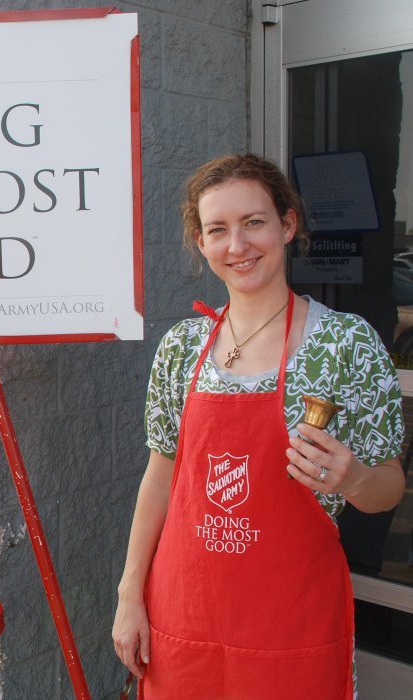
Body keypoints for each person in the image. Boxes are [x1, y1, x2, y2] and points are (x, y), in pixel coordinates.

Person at [111, 153, 405, 699]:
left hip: (291, 620)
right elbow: (159, 479)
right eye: (218, 229)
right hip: (184, 614)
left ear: (288, 225)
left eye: (254, 223)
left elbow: (389, 489)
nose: (238, 246)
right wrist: (131, 595)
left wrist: (354, 479)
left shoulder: (345, 346)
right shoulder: (181, 348)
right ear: (200, 242)